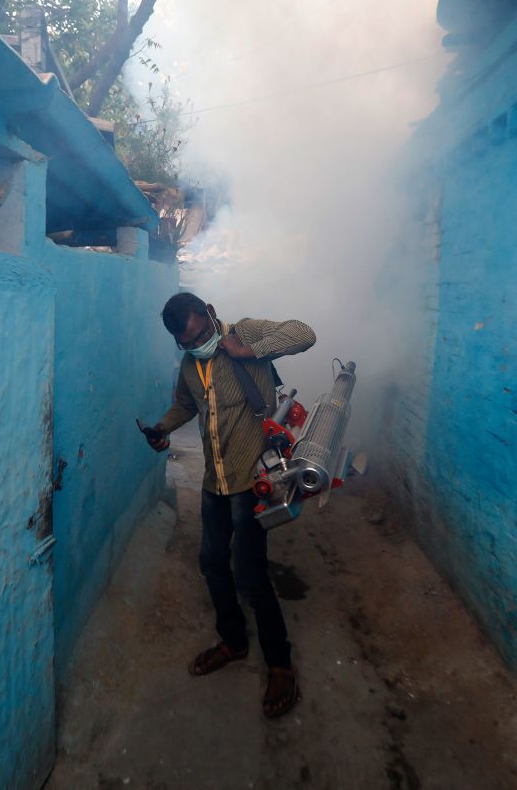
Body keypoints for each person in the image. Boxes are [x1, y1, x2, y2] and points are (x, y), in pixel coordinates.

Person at [142, 292, 316, 719]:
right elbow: (186, 404)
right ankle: (234, 642)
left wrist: (250, 350)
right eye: (187, 342)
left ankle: (279, 662)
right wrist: (162, 428)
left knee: (250, 573)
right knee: (212, 563)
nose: (197, 344)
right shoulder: (189, 365)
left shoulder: (245, 332)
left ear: (211, 315)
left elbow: (305, 334)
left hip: (252, 477)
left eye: (200, 334)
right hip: (213, 481)